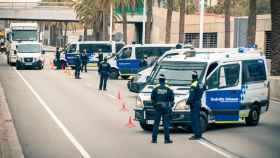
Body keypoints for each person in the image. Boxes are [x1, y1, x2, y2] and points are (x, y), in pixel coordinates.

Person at [151, 74, 174, 144]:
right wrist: (170, 106)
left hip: (158, 107)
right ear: (164, 80)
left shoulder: (155, 88)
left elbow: (152, 98)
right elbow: (172, 99)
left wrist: (155, 105)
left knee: (156, 124)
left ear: (159, 80)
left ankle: (154, 140)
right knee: (166, 124)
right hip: (166, 108)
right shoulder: (169, 88)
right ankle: (167, 140)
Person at [186, 71, 205, 140]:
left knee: (194, 120)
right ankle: (199, 134)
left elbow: (192, 95)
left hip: (194, 103)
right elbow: (204, 89)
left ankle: (196, 135)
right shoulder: (201, 83)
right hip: (199, 102)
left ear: (193, 76)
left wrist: (187, 102)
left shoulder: (194, 84)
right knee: (198, 119)